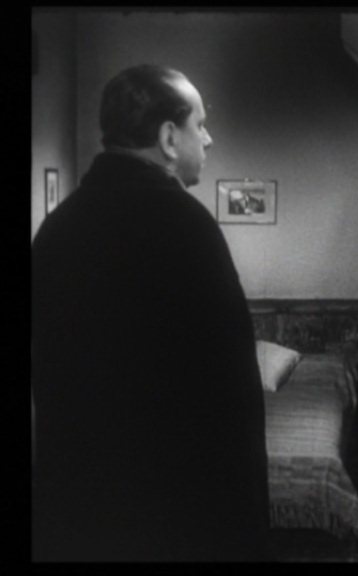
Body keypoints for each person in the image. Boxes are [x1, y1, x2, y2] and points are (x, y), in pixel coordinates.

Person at [32, 65, 270, 561]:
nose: (209, 138)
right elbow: (232, 396)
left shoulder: (57, 229)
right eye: (199, 124)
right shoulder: (186, 226)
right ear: (168, 138)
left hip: (82, 508)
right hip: (173, 512)